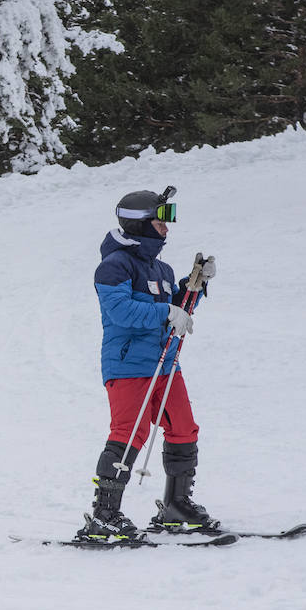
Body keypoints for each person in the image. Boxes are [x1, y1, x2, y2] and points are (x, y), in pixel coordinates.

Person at [75, 188, 218, 544]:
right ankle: (104, 515)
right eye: (160, 221)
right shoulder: (113, 266)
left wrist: (193, 287)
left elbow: (177, 310)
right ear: (140, 224)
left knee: (184, 427)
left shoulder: (161, 268)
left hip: (166, 365)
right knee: (129, 432)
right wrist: (167, 310)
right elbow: (120, 311)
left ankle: (176, 504)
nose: (166, 228)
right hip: (128, 366)